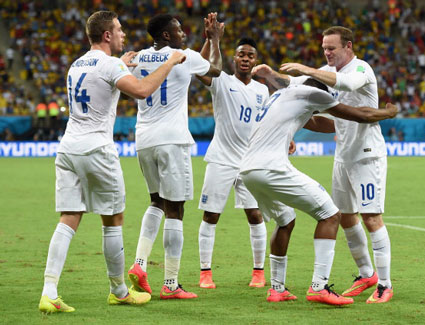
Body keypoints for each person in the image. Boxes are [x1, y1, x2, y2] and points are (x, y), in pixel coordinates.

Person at [38, 10, 186, 314]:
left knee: (69, 216)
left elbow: (104, 83)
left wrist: (125, 66)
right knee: (113, 219)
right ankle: (119, 291)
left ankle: (48, 291)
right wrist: (171, 62)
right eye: (118, 30)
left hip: (68, 148)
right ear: (107, 35)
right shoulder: (110, 63)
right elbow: (143, 91)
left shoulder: (76, 64)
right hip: (97, 149)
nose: (123, 35)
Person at [256, 26, 394, 303]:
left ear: (348, 47)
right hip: (343, 153)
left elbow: (345, 85)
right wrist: (272, 75)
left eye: (331, 48)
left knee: (371, 217)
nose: (327, 53)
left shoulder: (361, 69)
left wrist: (305, 68)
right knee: (345, 216)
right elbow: (297, 87)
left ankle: (385, 285)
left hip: (367, 153)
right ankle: (366, 274)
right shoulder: (324, 72)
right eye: (324, 49)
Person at [127, 13, 223, 300]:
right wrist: (215, 39)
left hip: (144, 139)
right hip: (172, 140)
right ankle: (170, 283)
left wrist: (206, 42)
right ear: (166, 35)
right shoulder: (181, 55)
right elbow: (213, 69)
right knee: (176, 210)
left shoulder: (138, 57)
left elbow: (194, 66)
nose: (183, 33)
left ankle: (140, 264)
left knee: (156, 201)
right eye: (178, 30)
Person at [195, 36, 270, 289]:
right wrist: (212, 40)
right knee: (211, 215)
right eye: (241, 55)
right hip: (221, 159)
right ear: (234, 58)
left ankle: (258, 272)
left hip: (250, 161)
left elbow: (268, 122)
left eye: (250, 55)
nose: (245, 59)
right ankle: (205, 273)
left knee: (255, 215)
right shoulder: (221, 80)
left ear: (255, 60)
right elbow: (199, 68)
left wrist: (286, 140)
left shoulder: (262, 90)